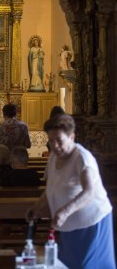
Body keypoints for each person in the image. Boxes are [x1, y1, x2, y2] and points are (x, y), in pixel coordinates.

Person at [26, 114, 115, 268]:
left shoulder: (82, 157)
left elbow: (89, 192)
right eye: (51, 141)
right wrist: (36, 208)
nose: (55, 146)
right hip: (68, 225)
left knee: (87, 265)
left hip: (92, 223)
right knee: (67, 265)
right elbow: (51, 189)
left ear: (72, 137)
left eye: (59, 141)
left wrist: (65, 211)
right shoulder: (53, 157)